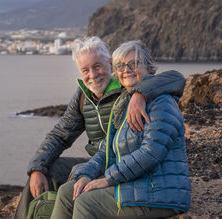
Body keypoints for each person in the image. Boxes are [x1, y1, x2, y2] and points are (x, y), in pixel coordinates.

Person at [14, 37, 186, 219]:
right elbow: (61, 134)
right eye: (85, 70)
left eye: (97, 66)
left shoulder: (127, 87)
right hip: (105, 160)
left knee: (80, 190)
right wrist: (36, 167)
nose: (93, 75)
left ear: (110, 64)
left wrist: (140, 93)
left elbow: (174, 78)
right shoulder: (85, 96)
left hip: (127, 169)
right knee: (49, 172)